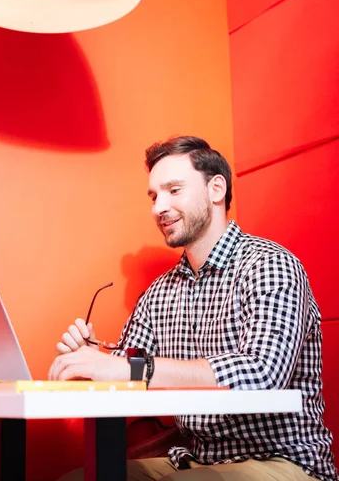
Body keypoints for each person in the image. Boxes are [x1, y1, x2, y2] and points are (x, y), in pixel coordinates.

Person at [48, 136, 338, 481]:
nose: (158, 208)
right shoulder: (159, 292)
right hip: (195, 459)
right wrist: (91, 361)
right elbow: (130, 367)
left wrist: (129, 368)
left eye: (173, 190)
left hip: (282, 460)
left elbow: (262, 374)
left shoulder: (270, 265)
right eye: (154, 196)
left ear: (216, 189)